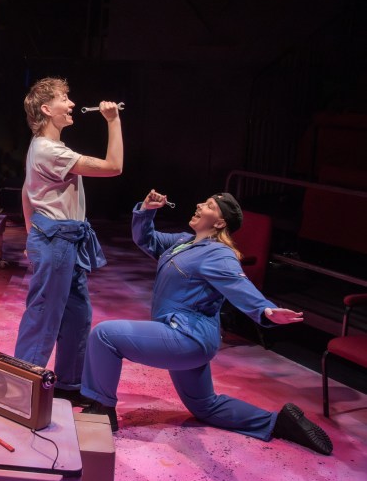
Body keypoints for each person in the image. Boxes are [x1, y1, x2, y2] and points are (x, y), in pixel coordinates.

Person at [80, 190, 334, 455]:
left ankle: (100, 411)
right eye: (203, 201)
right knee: (205, 406)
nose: (200, 205)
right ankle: (279, 423)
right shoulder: (184, 242)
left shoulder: (218, 253)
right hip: (192, 338)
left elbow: (238, 283)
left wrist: (265, 309)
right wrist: (147, 211)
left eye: (210, 205)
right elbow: (146, 239)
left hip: (185, 337)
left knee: (104, 335)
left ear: (220, 223)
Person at [14, 77, 123, 405]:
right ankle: (21, 387)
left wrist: (31, 231)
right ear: (47, 109)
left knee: (77, 315)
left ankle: (69, 385)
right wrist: (113, 121)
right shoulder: (49, 150)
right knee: (45, 315)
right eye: (65, 98)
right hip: (57, 240)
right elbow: (114, 167)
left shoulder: (44, 147)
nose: (72, 104)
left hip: (63, 239)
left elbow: (26, 191)